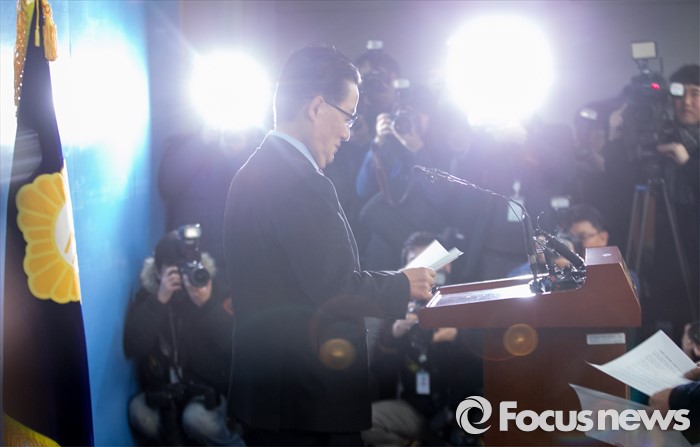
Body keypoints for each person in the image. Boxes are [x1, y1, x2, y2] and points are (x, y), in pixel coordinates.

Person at [223, 46, 436, 446]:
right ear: (317, 107)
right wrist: (403, 284)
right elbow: (336, 289)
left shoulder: (252, 172)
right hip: (306, 404)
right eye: (348, 116)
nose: (348, 133)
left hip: (270, 398)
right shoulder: (301, 182)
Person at [123, 229, 245, 446]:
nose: (182, 277)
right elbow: (133, 346)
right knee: (139, 411)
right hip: (167, 390)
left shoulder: (213, 289)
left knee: (196, 420)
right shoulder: (150, 297)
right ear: (158, 272)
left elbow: (236, 347)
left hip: (209, 390)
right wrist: (159, 301)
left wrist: (207, 305)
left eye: (186, 268)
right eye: (174, 271)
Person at [363, 232, 482, 447]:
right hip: (415, 407)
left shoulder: (467, 298)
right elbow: (379, 374)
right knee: (367, 423)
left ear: (446, 265)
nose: (422, 270)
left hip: (461, 406)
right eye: (414, 263)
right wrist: (393, 336)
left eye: (429, 260)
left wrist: (458, 336)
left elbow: (492, 354)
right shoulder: (396, 310)